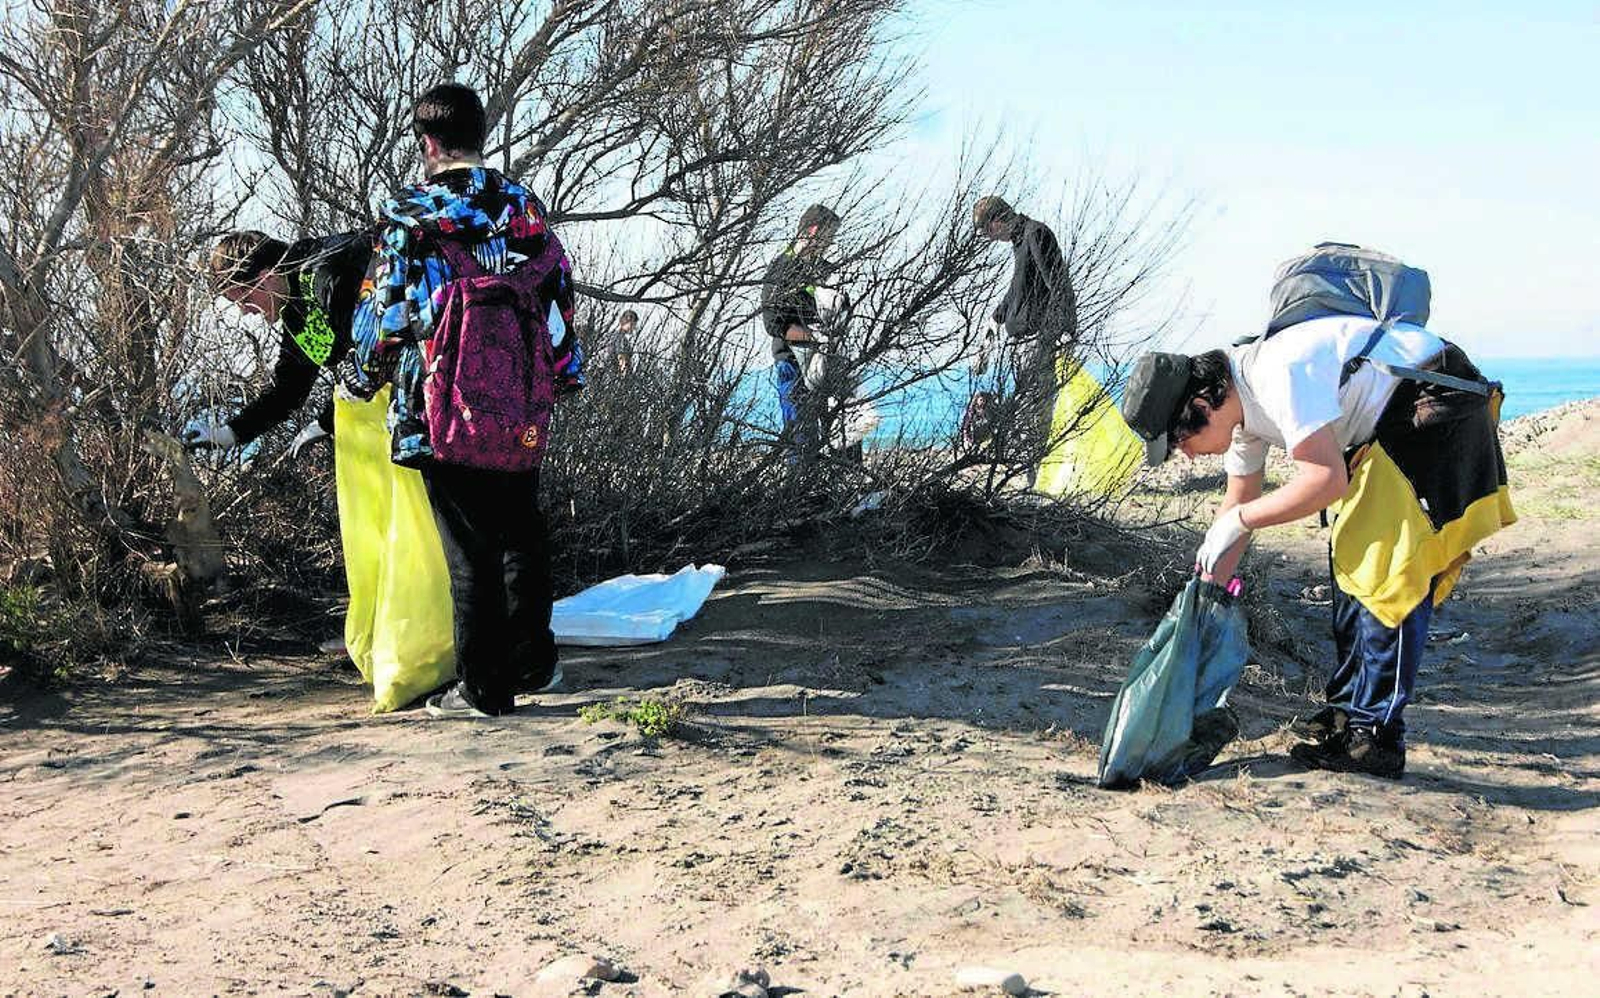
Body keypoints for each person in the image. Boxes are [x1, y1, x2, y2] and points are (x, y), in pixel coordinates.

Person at [1119, 315, 1515, 778]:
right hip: (1385, 424)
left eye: (1181, 439)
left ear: (1204, 402)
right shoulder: (1240, 410)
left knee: (1387, 574)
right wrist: (1205, 590)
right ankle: (1350, 718)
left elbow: (1326, 480)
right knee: (1350, 563)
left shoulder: (1275, 375)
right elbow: (1239, 500)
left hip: (1433, 405)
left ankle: (1377, 739)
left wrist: (1240, 521)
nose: (1184, 454)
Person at [351, 82, 584, 719]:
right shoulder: (525, 208)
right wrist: (561, 376)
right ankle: (535, 664)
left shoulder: (407, 216)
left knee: (468, 547)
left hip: (437, 407)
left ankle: (483, 689)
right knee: (521, 534)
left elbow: (383, 318)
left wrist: (362, 376)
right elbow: (558, 297)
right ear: (479, 135)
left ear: (426, 143)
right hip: (520, 402)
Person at [186, 230, 372, 456]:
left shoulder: (328, 273)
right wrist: (230, 433)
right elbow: (291, 388)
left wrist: (326, 421)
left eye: (245, 300)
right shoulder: (296, 307)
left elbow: (369, 358)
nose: (245, 312)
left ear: (266, 277)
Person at [972, 195, 1077, 461]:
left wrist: (1061, 332)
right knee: (1025, 415)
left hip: (1037, 341)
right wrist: (995, 322)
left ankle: (1036, 476)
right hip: (1021, 344)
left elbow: (1059, 285)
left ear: (996, 222)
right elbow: (1019, 290)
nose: (988, 238)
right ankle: (1031, 472)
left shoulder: (1036, 234)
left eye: (985, 232)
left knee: (1036, 416)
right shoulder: (1020, 242)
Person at [761, 204, 842, 463]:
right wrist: (815, 337)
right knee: (800, 435)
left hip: (826, 363)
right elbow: (774, 324)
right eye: (829, 237)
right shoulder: (782, 268)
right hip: (793, 363)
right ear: (814, 231)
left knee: (840, 432)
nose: (830, 244)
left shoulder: (826, 269)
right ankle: (797, 494)